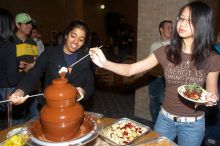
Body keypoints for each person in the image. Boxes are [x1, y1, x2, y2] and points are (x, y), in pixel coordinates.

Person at [89, 1, 220, 146]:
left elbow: (211, 91)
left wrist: (211, 99)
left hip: (193, 124)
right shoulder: (166, 51)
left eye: (189, 21)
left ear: (202, 24)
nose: (182, 24)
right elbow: (131, 69)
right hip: (165, 119)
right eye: (181, 18)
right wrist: (104, 63)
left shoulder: (212, 58)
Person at [9, 20, 95, 112]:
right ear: (66, 35)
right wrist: (20, 91)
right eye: (73, 36)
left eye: (81, 39)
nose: (76, 42)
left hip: (74, 107)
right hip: (50, 106)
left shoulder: (85, 58)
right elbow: (34, 74)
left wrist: (83, 91)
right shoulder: (50, 52)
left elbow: (90, 83)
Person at [0, 8, 25, 124]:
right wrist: (24, 70)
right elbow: (12, 79)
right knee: (13, 130)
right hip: (7, 93)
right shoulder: (9, 46)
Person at [148, 20, 173, 123]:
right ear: (161, 29)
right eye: (168, 27)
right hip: (154, 79)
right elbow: (149, 63)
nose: (171, 30)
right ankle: (156, 128)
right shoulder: (154, 45)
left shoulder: (176, 45)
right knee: (154, 104)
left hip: (167, 81)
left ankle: (164, 129)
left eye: (172, 28)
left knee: (166, 105)